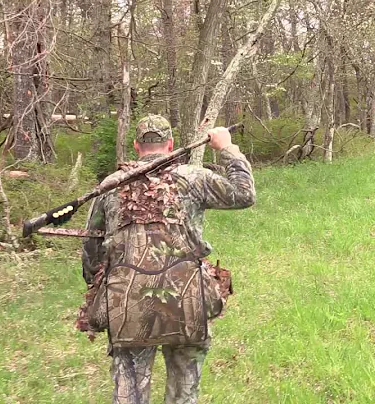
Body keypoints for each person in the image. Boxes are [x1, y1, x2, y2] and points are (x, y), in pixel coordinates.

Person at [81, 114, 255, 403]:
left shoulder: (112, 185)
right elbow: (244, 194)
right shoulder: (193, 178)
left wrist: (97, 288)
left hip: (128, 303)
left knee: (130, 390)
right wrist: (228, 148)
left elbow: (92, 245)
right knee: (184, 390)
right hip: (186, 300)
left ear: (136, 146)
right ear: (170, 144)